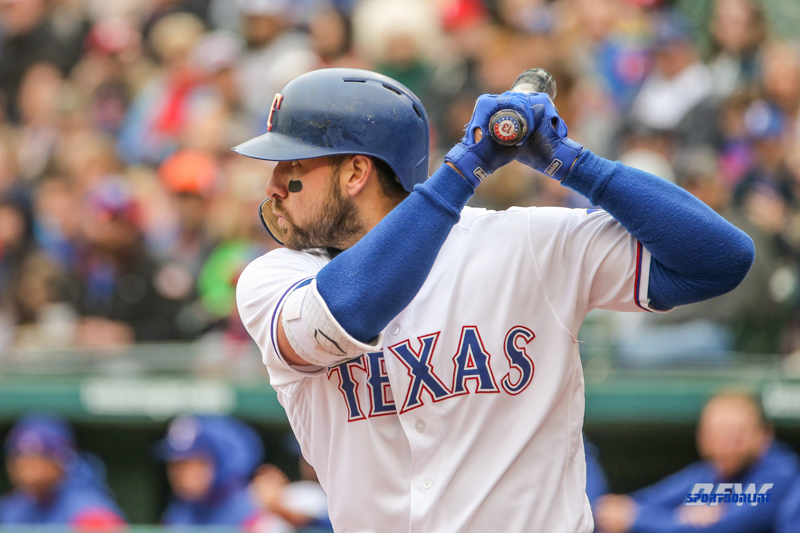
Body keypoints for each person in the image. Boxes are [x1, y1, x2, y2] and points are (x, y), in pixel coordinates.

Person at [234, 68, 754, 532]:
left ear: (355, 173)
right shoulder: (274, 278)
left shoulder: (522, 242)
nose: (273, 185)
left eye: (291, 165)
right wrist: (466, 168)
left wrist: (575, 164)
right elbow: (352, 308)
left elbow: (719, 260)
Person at [594, 392, 799, 533]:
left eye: (737, 435)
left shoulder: (780, 472)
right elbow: (626, 508)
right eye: (718, 434)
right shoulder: (713, 473)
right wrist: (680, 518)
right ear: (702, 438)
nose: (727, 445)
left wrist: (649, 519)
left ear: (764, 435)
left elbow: (723, 527)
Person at [0, 414, 125, 528]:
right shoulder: (14, 507)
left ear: (61, 460)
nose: (26, 464)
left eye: (40, 454)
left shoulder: (90, 509)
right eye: (18, 454)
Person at [157, 414, 265, 527]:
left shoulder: (255, 510)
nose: (178, 474)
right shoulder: (177, 514)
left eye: (188, 463)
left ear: (220, 463)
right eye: (174, 463)